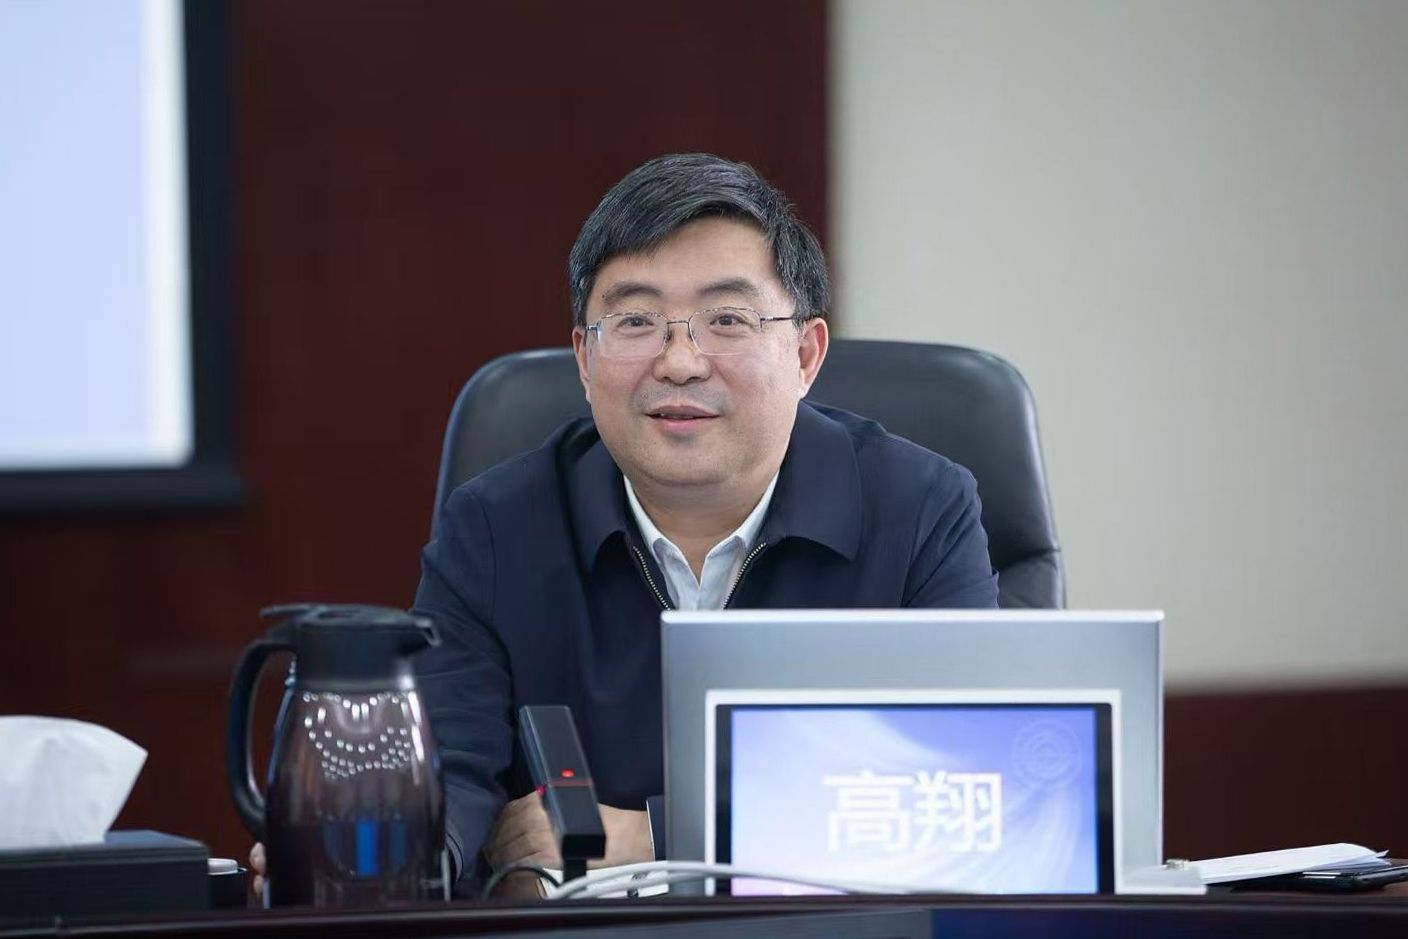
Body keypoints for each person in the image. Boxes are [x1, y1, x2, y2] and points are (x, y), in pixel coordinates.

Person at [250, 153, 997, 896]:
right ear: (584, 357)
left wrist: (654, 840)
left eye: (727, 320)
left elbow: (967, 791)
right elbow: (450, 773)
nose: (680, 362)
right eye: (636, 321)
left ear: (805, 355)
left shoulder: (920, 510)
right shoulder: (495, 528)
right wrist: (373, 860)